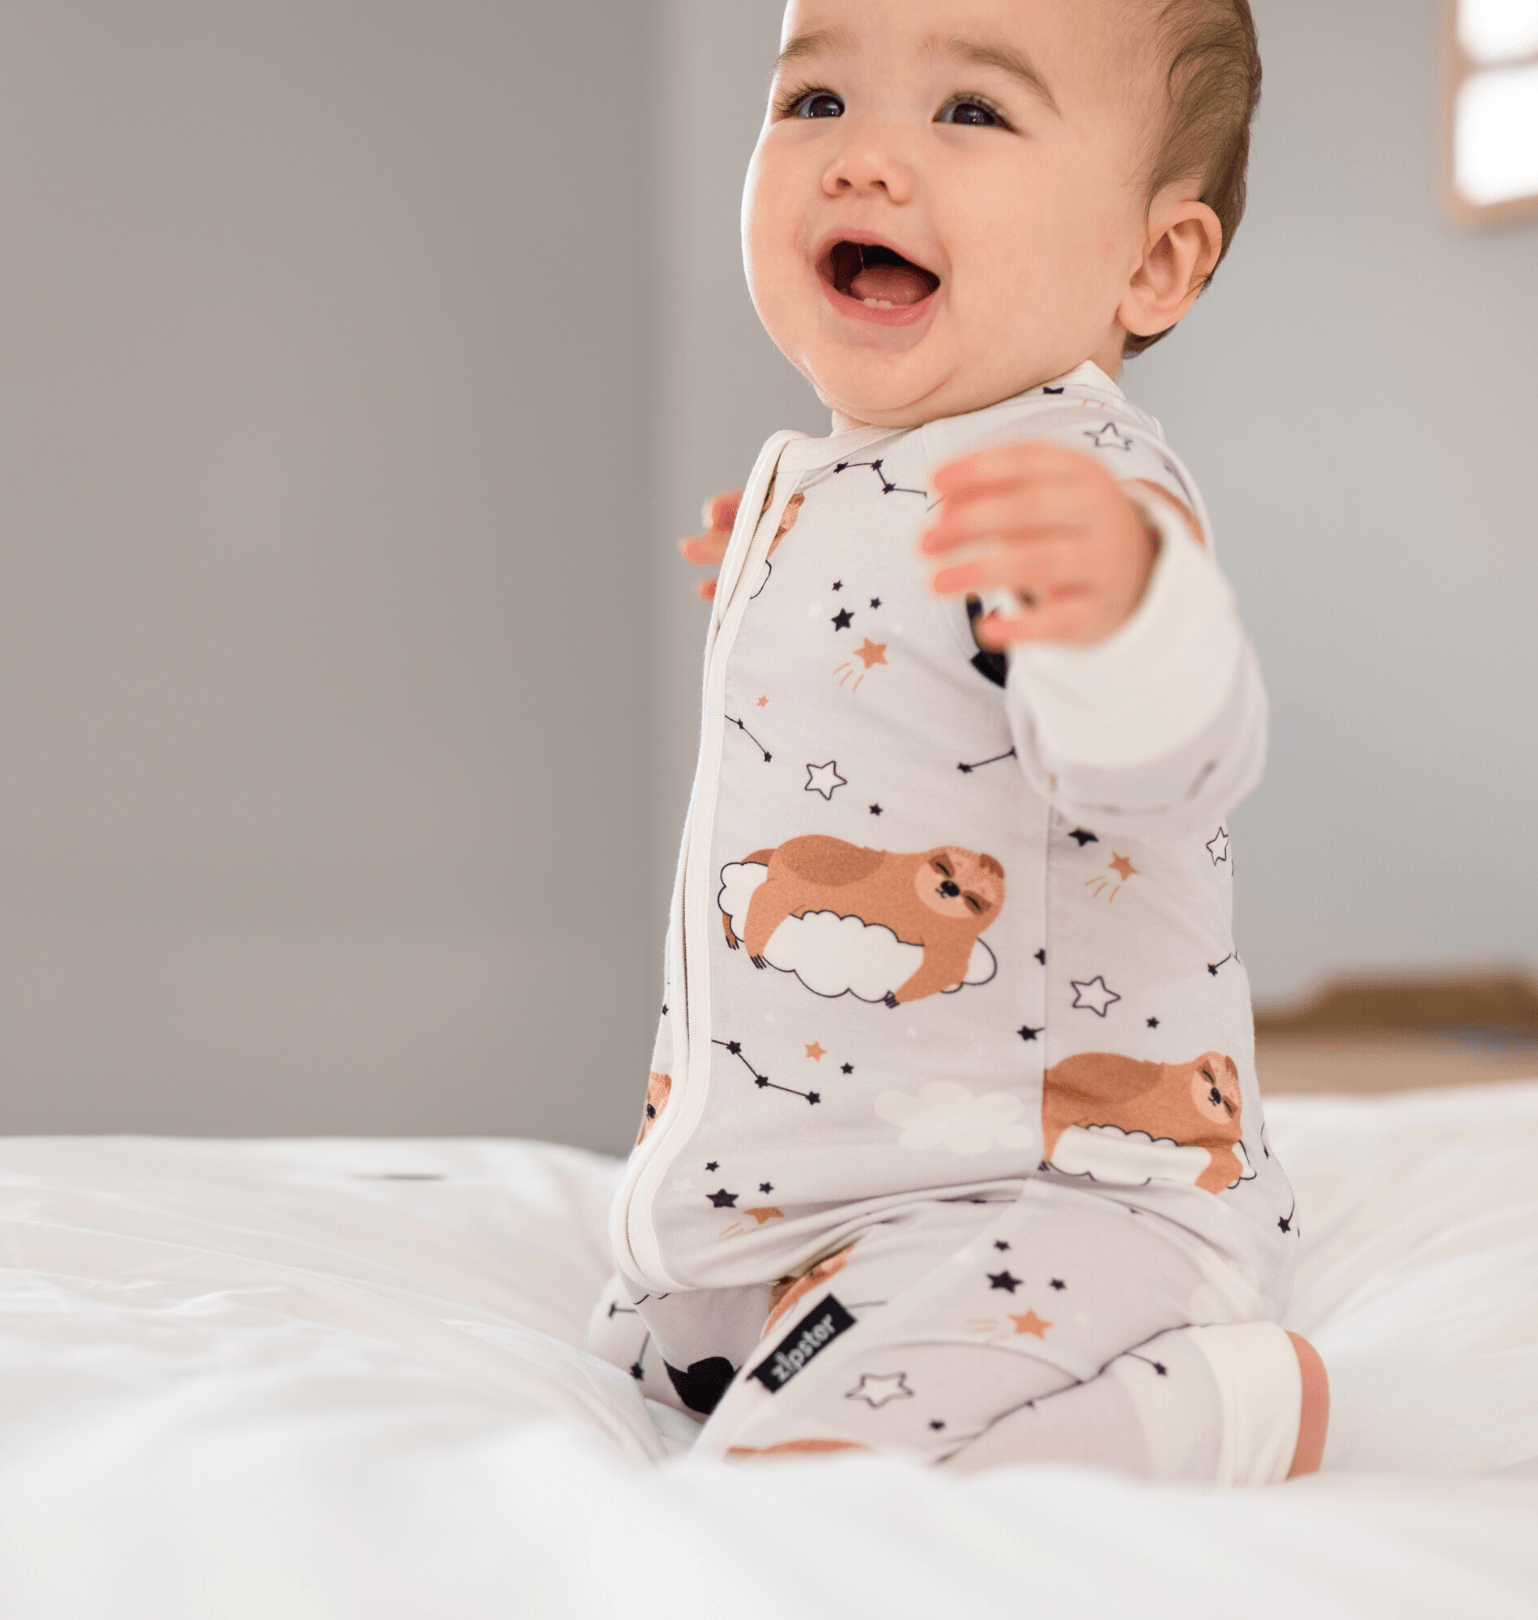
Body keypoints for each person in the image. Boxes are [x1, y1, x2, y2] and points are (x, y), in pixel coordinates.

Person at [589, 0, 1329, 1481]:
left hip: (1059, 1197)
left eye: (971, 112)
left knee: (808, 1482)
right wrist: (797, 583)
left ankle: (1219, 1401)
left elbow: (1170, 755)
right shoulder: (853, 475)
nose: (862, 158)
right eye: (814, 102)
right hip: (814, 1199)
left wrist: (1124, 615)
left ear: (1152, 262)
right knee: (652, 1354)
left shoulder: (1080, 479)